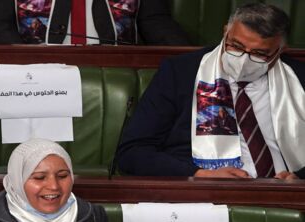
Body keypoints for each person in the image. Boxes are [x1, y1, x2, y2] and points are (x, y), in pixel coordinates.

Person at [116, 4, 305, 179]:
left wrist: (300, 178)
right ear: (225, 32)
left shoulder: (299, 78)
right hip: (205, 193)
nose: (243, 59)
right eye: (236, 46)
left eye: (259, 53)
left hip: (284, 193)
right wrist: (198, 174)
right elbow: (132, 152)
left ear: (280, 50)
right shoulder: (180, 73)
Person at [0, 0, 189, 46]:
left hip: (114, 72)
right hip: (36, 74)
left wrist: (191, 55)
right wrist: (30, 60)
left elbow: (154, 21)